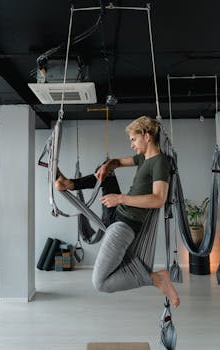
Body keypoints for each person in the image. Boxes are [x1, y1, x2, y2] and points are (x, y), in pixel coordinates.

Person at [55, 116, 180, 308]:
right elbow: (117, 162)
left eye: (133, 139)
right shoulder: (143, 159)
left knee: (100, 283)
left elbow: (158, 199)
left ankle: (155, 278)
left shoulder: (160, 161)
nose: (131, 145)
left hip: (125, 225)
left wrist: (120, 198)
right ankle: (70, 183)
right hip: (117, 216)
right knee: (105, 172)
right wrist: (107, 165)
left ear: (147, 136)